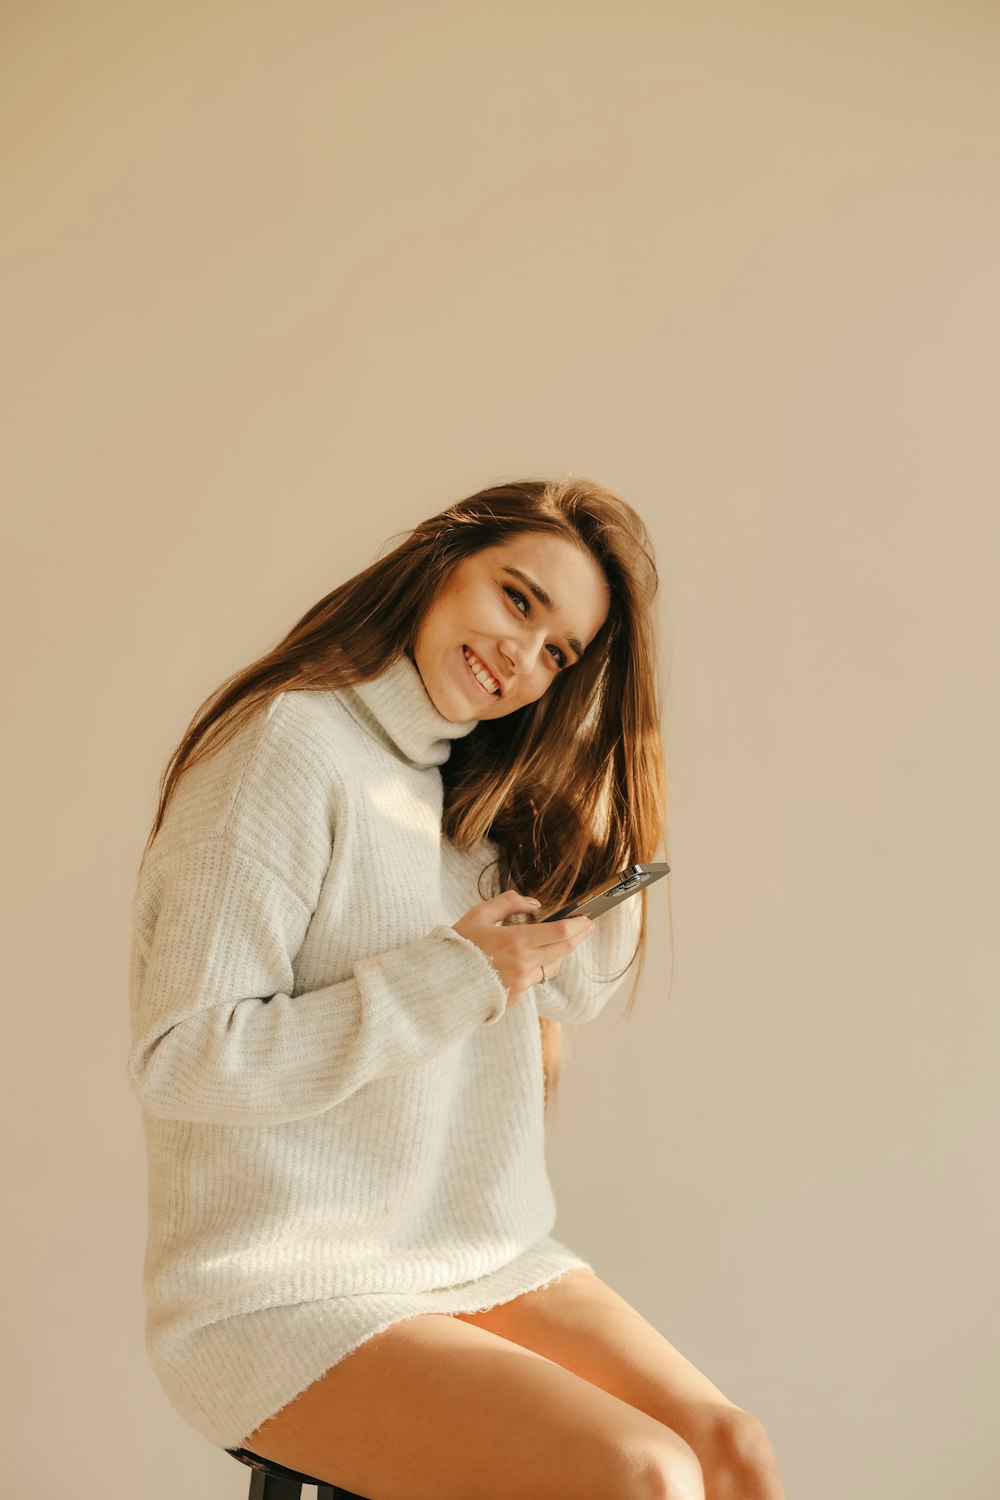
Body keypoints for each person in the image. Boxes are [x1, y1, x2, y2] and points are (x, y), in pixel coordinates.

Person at [128, 476, 786, 1500]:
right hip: (277, 1290)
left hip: (475, 1256)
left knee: (730, 1453)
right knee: (642, 1474)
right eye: (517, 599)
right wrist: (454, 976)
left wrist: (591, 782)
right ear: (441, 561)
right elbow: (188, 1061)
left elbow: (578, 991)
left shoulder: (464, 785)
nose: (522, 657)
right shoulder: (288, 748)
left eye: (560, 652)